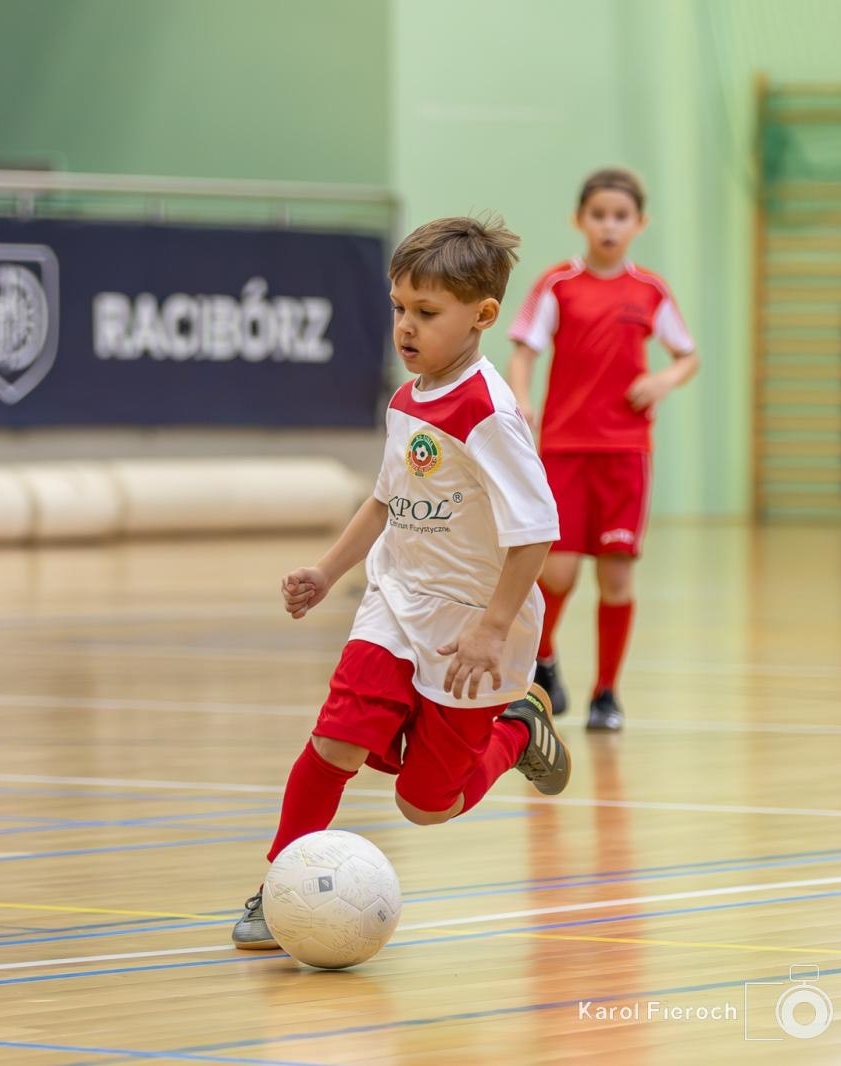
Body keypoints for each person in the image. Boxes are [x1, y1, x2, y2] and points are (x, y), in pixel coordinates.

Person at [231, 216, 570, 951]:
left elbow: (537, 532)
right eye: (397, 309)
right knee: (335, 743)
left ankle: (520, 726)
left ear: (482, 316)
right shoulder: (408, 398)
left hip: (471, 627)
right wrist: (328, 572)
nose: (405, 328)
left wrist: (489, 628)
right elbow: (386, 499)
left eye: (426, 312)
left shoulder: (489, 413)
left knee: (425, 804)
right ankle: (274, 887)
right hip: (393, 602)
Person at [507, 167, 700, 732]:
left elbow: (687, 355)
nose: (609, 226)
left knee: (616, 577)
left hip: (625, 453)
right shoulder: (557, 285)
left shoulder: (650, 291)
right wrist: (521, 398)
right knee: (558, 570)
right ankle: (543, 662)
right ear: (579, 220)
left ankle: (607, 692)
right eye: (599, 215)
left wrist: (664, 380)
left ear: (639, 224)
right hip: (564, 447)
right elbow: (524, 349)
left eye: (621, 216)